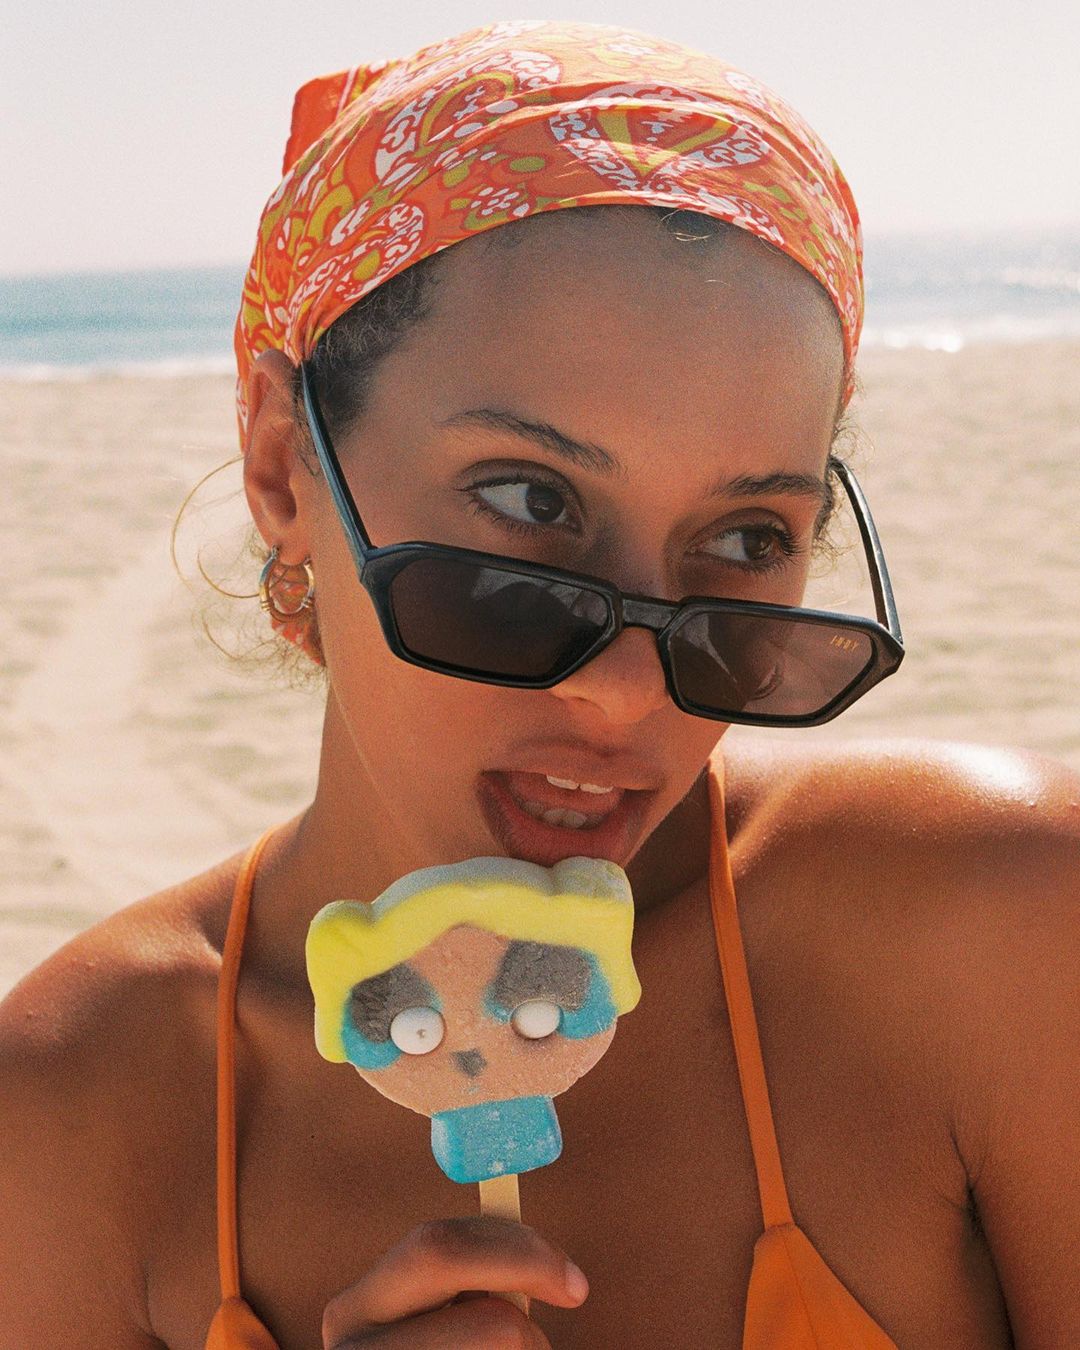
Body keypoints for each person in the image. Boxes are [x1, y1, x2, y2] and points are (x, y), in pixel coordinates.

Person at [1, 20, 1076, 1350]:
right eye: (529, 501)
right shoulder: (71, 1118)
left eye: (747, 540)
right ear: (281, 467)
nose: (627, 695)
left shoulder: (1003, 924)